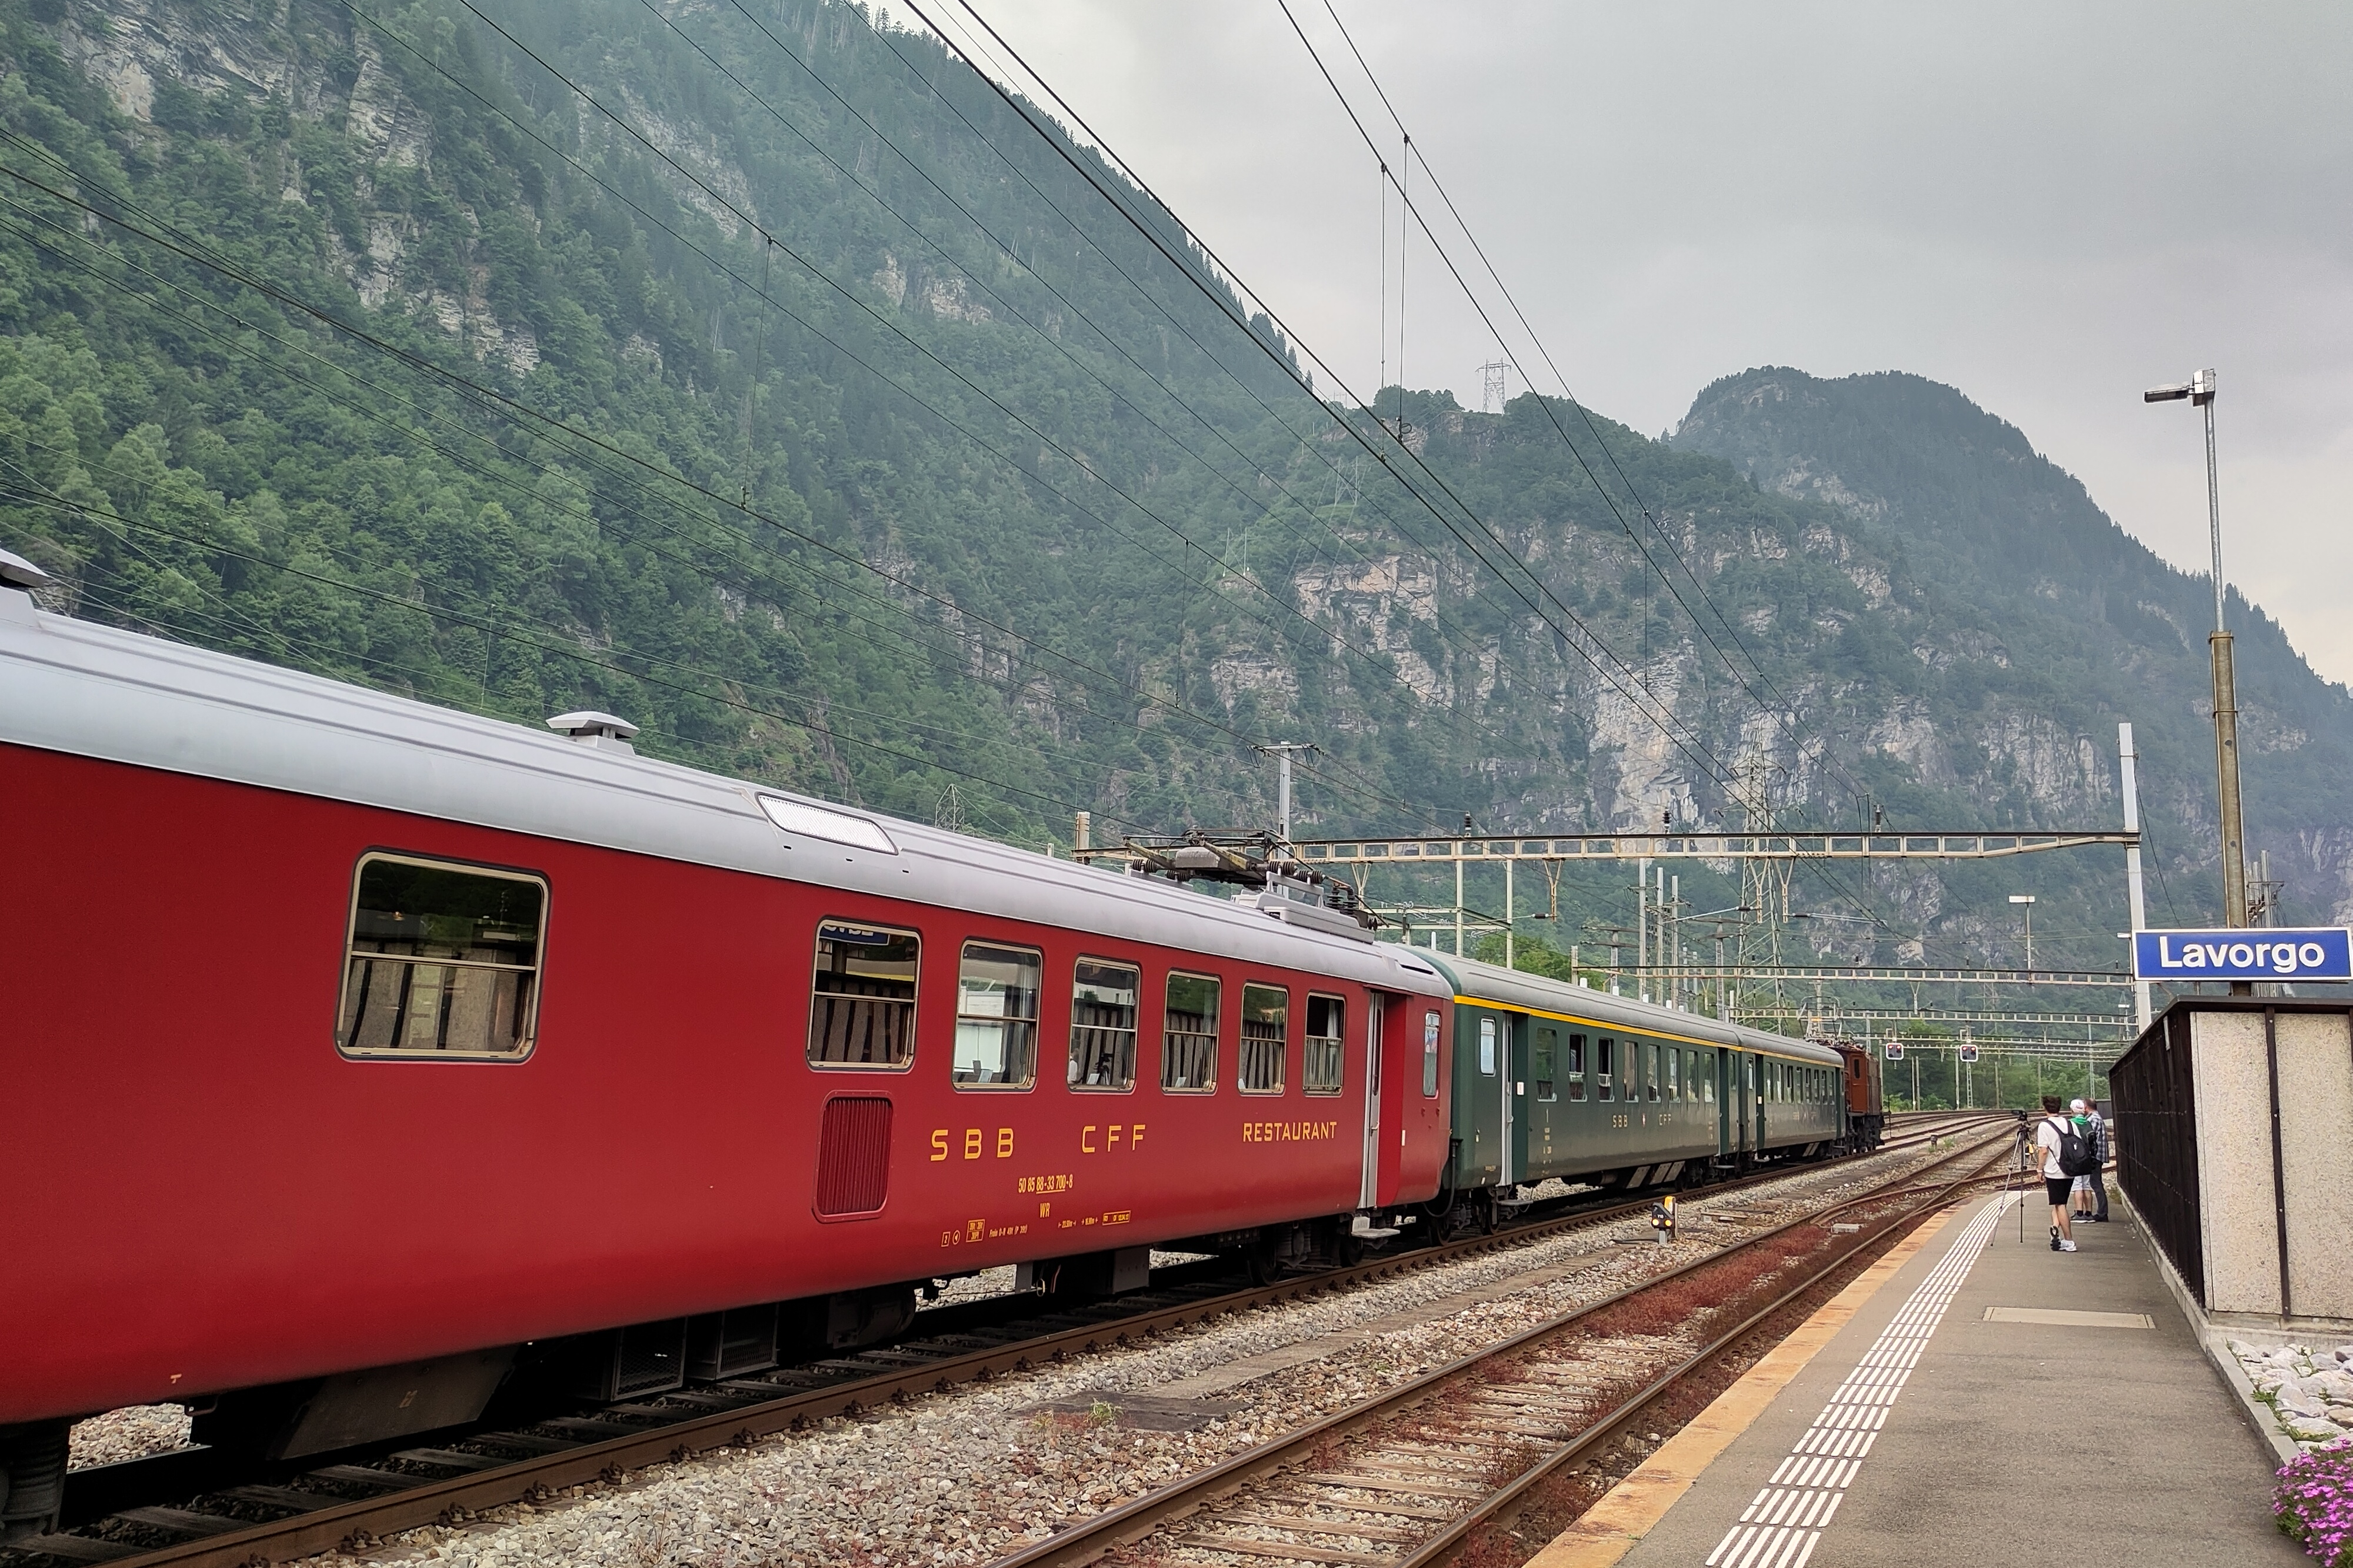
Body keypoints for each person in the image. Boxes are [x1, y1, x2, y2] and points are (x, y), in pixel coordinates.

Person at [2035, 1094, 2078, 1252]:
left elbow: (2043, 1151)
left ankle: (2069, 1241)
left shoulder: (2044, 1126)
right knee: (2060, 1203)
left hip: (2054, 1171)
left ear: (2045, 1108)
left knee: (2060, 1205)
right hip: (2070, 1170)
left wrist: (2040, 1169)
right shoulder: (2069, 1124)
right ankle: (2055, 1229)